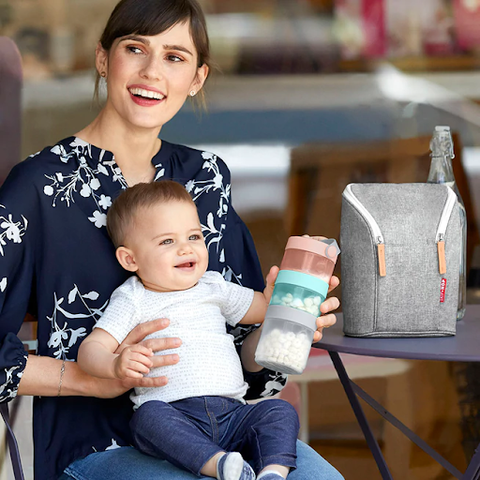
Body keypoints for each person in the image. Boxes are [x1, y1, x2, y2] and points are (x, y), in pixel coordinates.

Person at [0, 0, 343, 479]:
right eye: (135, 48)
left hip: (226, 433)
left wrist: (284, 319)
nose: (151, 72)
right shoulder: (38, 185)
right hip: (98, 447)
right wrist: (90, 379)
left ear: (197, 78)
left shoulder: (205, 177)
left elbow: (241, 351)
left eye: (174, 57)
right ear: (103, 57)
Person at [78, 180, 300, 480]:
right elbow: (90, 349)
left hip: (234, 413)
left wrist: (276, 297)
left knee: (279, 412)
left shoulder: (213, 286)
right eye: (167, 241)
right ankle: (217, 464)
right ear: (130, 259)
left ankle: (273, 472)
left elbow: (261, 308)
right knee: (147, 418)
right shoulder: (133, 297)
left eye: (194, 236)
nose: (186, 248)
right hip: (175, 415)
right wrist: (116, 363)